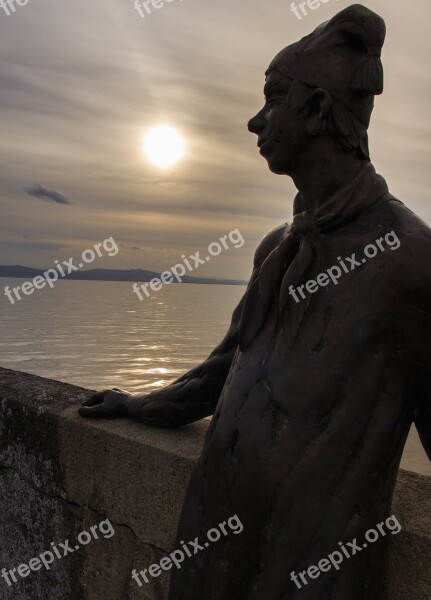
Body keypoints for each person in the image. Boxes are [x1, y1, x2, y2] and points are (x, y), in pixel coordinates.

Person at [80, 5, 431, 598]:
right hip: (211, 548)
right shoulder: (278, 248)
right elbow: (222, 373)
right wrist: (137, 404)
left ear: (318, 109)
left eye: (274, 99)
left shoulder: (409, 260)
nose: (254, 121)